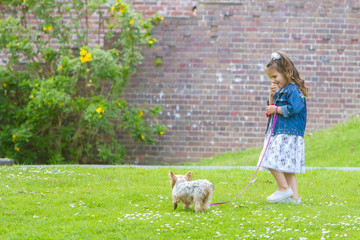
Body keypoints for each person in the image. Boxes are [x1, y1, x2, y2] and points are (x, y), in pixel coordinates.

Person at [258, 51, 309, 204]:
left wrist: (277, 109)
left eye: (275, 77)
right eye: (271, 79)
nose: (273, 81)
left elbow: (294, 108)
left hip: (288, 133)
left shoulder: (293, 90)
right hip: (279, 132)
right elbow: (270, 110)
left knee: (267, 159)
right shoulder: (280, 91)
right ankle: (294, 199)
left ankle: (283, 188)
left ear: (286, 72)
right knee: (287, 168)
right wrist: (271, 96)